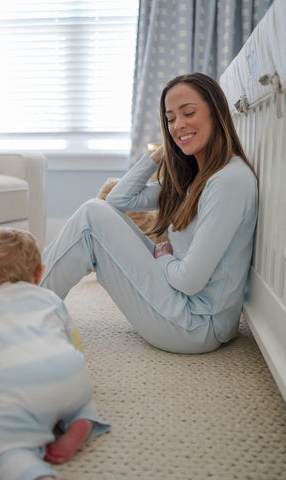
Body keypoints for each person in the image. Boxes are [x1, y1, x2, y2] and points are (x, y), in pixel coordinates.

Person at [41, 72, 258, 355]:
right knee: (96, 212)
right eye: (170, 119)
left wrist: (163, 258)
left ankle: (22, 308)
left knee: (92, 215)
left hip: (194, 325)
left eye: (188, 113)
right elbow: (119, 198)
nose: (178, 125)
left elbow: (189, 281)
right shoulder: (196, 179)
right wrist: (162, 152)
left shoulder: (229, 180)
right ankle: (28, 302)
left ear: (217, 113)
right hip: (183, 308)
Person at [0, 228, 110, 480]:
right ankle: (81, 418)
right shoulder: (51, 299)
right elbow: (73, 339)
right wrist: (74, 367)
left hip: (27, 391)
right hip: (73, 375)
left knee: (7, 449)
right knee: (77, 396)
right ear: (39, 273)